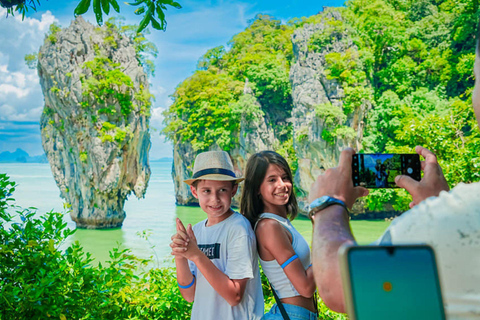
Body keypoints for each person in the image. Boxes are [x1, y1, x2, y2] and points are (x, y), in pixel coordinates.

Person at [308, 25, 480, 319]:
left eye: (475, 78)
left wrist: (328, 204)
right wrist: (438, 207)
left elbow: (342, 289)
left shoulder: (464, 212)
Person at [170, 150, 264, 320]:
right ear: (194, 191)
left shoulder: (238, 229)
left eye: (222, 190)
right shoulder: (197, 232)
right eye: (206, 191)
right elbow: (189, 295)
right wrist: (181, 255)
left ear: (233, 190)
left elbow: (234, 296)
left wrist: (196, 255)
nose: (215, 199)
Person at [241, 151, 317, 320]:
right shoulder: (269, 226)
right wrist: (324, 241)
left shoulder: (280, 223)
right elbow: (305, 287)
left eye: (285, 177)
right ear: (257, 189)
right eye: (272, 180)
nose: (282, 185)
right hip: (292, 315)